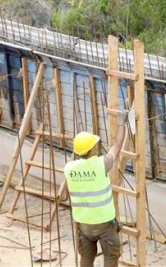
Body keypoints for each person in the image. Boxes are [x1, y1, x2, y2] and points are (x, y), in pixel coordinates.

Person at [64, 110, 128, 267]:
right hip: (104, 222)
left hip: (83, 223)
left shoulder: (69, 167)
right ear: (92, 149)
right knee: (111, 257)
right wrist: (122, 121)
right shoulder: (101, 164)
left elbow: (66, 193)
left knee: (86, 259)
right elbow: (117, 145)